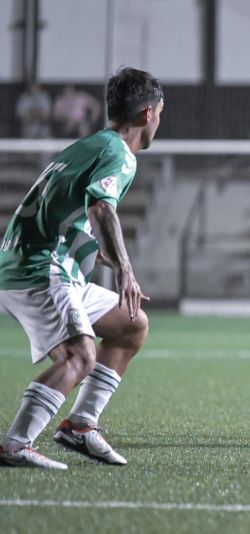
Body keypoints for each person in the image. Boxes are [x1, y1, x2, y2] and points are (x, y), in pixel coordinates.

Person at [0, 67, 164, 469]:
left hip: (51, 264)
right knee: (79, 356)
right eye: (160, 111)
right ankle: (14, 445)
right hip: (40, 270)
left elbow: (63, 208)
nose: (159, 120)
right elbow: (100, 207)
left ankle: (81, 425)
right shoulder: (119, 155)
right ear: (147, 115)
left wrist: (97, 252)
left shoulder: (88, 145)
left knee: (132, 324)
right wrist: (125, 268)